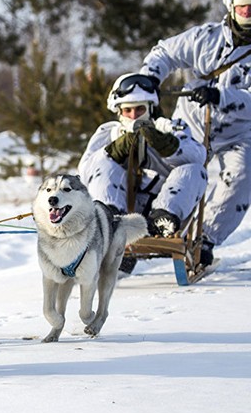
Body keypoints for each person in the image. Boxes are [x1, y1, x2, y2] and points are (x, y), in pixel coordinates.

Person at [139, 0, 251, 266]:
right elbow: (164, 53)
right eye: (242, 5)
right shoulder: (205, 38)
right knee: (168, 166)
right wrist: (149, 80)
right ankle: (150, 223)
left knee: (242, 179)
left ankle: (205, 238)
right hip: (193, 121)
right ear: (231, 4)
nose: (247, 11)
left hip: (241, 132)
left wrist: (221, 96)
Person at [78, 73, 208, 273]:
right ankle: (109, 217)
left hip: (165, 204)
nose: (134, 116)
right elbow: (85, 170)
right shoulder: (107, 132)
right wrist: (114, 150)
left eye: (140, 109)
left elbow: (199, 156)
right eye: (128, 110)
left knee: (194, 170)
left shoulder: (171, 128)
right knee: (102, 162)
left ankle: (162, 219)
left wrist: (169, 147)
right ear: (119, 111)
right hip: (124, 205)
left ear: (150, 109)